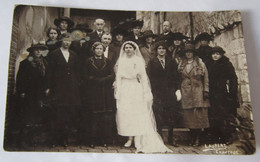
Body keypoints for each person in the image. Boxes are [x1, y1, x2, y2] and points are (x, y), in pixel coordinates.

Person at [114, 41, 172, 153]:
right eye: (126, 47)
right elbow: (118, 77)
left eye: (130, 47)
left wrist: (146, 91)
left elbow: (144, 77)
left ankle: (138, 140)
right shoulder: (121, 60)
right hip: (125, 88)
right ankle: (129, 138)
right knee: (126, 113)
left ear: (134, 49)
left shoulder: (139, 60)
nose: (128, 49)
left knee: (137, 113)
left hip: (136, 88)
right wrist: (118, 91)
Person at [45, 33, 81, 147]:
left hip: (70, 89)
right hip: (57, 88)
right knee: (56, 114)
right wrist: (48, 87)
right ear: (61, 41)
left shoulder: (74, 55)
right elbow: (49, 71)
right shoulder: (54, 54)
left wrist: (76, 85)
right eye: (65, 40)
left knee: (67, 114)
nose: (67, 43)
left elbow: (77, 71)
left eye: (69, 41)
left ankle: (64, 139)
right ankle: (53, 140)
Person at [80, 42, 116, 147]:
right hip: (93, 91)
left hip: (105, 91)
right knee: (93, 117)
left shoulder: (108, 61)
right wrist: (94, 79)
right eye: (97, 49)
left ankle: (103, 140)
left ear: (103, 50)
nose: (99, 50)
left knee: (104, 117)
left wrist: (104, 79)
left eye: (101, 48)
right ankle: (92, 140)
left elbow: (112, 75)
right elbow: (84, 75)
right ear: (93, 50)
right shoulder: (88, 61)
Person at [147, 41, 181, 147]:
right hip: (157, 93)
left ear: (166, 51)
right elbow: (149, 78)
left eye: (163, 49)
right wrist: (150, 91)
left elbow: (176, 77)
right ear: (156, 50)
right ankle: (160, 138)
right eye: (159, 49)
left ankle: (171, 138)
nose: (161, 51)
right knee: (159, 115)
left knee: (171, 115)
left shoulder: (171, 62)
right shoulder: (152, 62)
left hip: (169, 92)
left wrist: (177, 90)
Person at [16, 41, 48, 149]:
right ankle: (22, 142)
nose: (38, 51)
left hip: (39, 94)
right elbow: (20, 79)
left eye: (40, 50)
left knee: (36, 117)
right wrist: (22, 91)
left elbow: (46, 78)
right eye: (36, 49)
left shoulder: (44, 63)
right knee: (27, 117)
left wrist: (47, 88)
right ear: (32, 51)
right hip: (29, 94)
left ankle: (31, 140)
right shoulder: (25, 63)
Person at [178, 43, 210, 147]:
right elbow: (178, 78)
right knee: (189, 117)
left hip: (198, 92)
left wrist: (206, 90)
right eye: (186, 52)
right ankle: (192, 137)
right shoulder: (181, 64)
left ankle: (197, 138)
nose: (188, 54)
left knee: (198, 116)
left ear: (193, 53)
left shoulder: (200, 63)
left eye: (190, 52)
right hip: (186, 92)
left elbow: (206, 78)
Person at [206, 46, 239, 145]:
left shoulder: (226, 64)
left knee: (224, 115)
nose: (215, 56)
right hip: (212, 93)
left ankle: (227, 137)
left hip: (223, 93)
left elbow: (233, 79)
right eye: (213, 54)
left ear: (221, 55)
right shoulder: (208, 64)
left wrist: (232, 93)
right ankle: (215, 137)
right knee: (212, 115)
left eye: (217, 54)